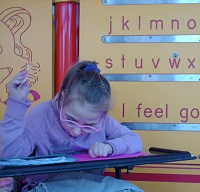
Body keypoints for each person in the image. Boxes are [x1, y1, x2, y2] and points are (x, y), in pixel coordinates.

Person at [0, 61, 143, 192]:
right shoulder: (43, 115)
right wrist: (16, 104)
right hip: (49, 185)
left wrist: (110, 146)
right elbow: (10, 157)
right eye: (70, 119)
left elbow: (135, 141)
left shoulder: (103, 120)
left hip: (93, 184)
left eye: (89, 125)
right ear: (62, 99)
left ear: (102, 115)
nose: (76, 131)